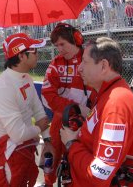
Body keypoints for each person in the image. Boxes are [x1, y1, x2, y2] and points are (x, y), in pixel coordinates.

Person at [60, 37, 133, 186]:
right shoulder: (107, 94)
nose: (80, 68)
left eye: (85, 61)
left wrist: (71, 144)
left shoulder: (116, 104)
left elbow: (99, 175)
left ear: (103, 66)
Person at [0, 33, 53, 186]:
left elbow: (39, 112)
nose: (37, 55)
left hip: (27, 148)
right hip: (10, 155)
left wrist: (47, 140)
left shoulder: (25, 77)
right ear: (21, 56)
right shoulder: (3, 87)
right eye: (34, 51)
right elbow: (18, 134)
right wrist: (39, 128)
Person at [41, 23, 96, 186]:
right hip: (61, 119)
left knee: (78, 160)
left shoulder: (90, 60)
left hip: (87, 121)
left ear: (76, 40)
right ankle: (48, 182)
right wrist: (74, 109)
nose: (59, 49)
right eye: (56, 45)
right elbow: (48, 94)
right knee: (53, 156)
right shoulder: (55, 63)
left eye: (62, 44)